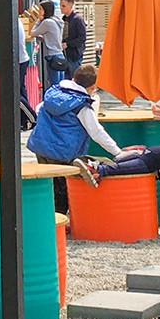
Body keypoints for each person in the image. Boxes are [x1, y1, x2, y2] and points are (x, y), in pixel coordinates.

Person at [28, 64, 123, 211]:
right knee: (63, 190)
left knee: (48, 186)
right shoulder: (81, 105)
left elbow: (38, 109)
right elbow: (96, 132)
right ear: (92, 87)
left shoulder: (53, 93)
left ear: (74, 79)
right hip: (63, 152)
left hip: (40, 146)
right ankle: (59, 224)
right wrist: (117, 152)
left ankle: (47, 217)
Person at [60, 0, 88, 72]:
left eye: (64, 6)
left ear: (70, 6)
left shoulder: (77, 20)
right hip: (65, 54)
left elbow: (82, 38)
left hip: (74, 55)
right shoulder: (63, 19)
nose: (61, 8)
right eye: (60, 5)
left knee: (74, 77)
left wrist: (68, 44)